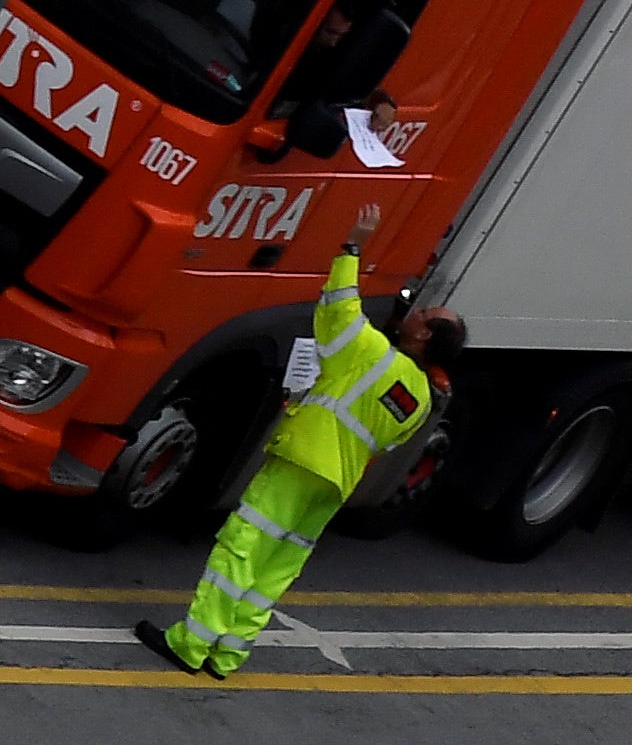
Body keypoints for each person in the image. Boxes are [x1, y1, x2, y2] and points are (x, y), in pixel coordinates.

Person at [140, 225, 463, 677]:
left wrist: (352, 248)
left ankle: (190, 644)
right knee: (275, 569)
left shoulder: (371, 353)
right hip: (335, 485)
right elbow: (388, 441)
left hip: (301, 463)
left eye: (424, 312)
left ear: (426, 335)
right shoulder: (422, 398)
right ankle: (228, 655)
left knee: (241, 548)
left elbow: (338, 308)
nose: (415, 308)